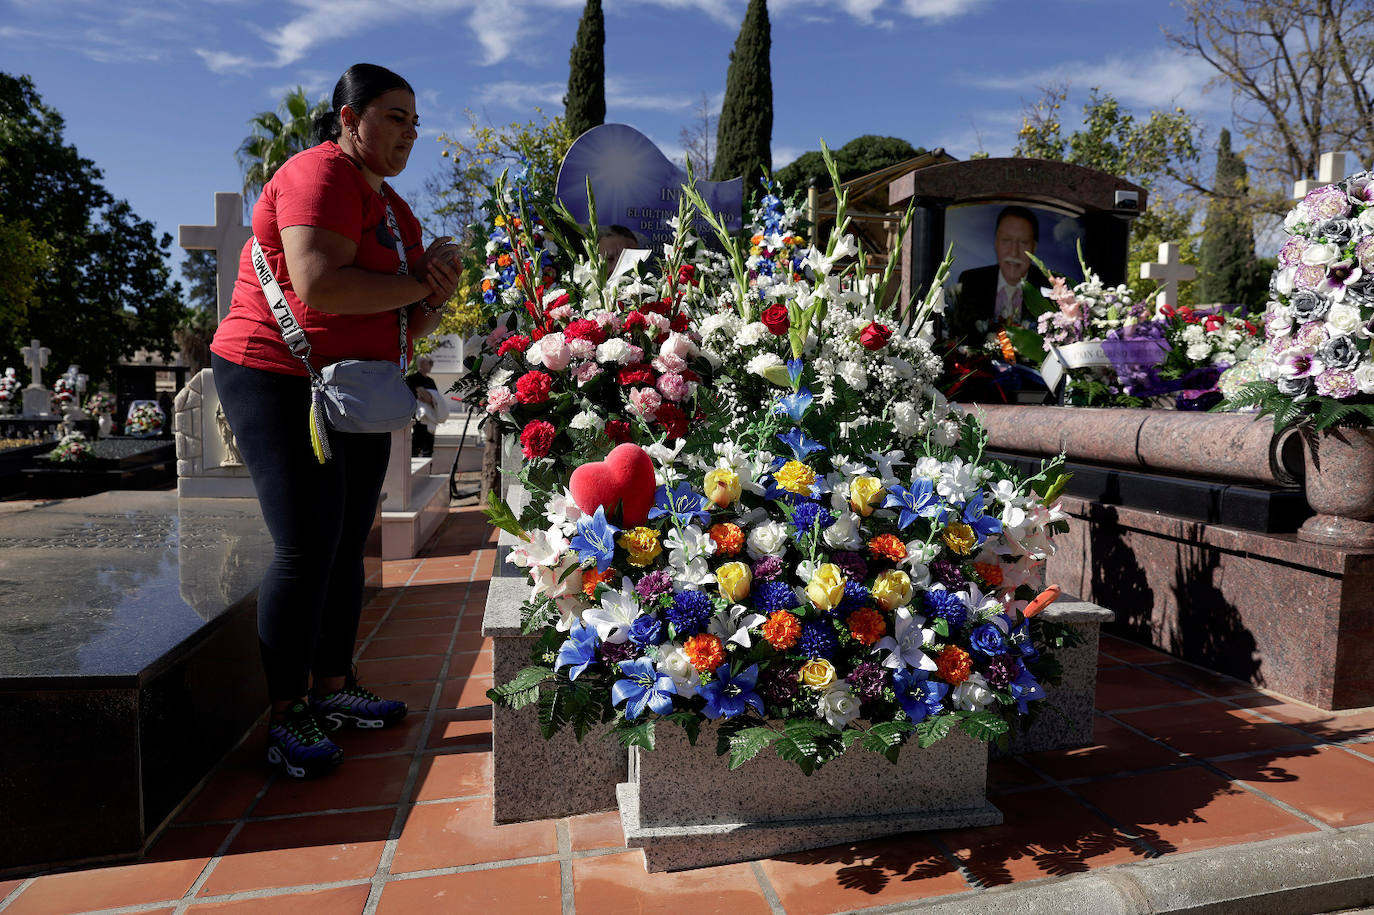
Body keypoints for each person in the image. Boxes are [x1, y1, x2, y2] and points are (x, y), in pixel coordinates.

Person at [209, 63, 461, 778]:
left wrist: (439, 287)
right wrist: (419, 281)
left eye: (414, 120)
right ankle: (286, 716)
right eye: (392, 116)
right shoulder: (320, 174)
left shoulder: (396, 209)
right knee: (306, 542)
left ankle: (334, 688)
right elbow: (319, 284)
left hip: (350, 386)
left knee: (349, 538)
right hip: (277, 373)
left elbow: (415, 315)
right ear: (348, 120)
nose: (408, 133)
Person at [947, 206, 1048, 344]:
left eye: (1023, 242)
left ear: (1034, 247)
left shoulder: (1050, 288)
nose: (1014, 252)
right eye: (1006, 240)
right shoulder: (972, 282)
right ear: (996, 243)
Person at [408, 353, 440, 457]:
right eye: (430, 363)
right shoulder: (412, 379)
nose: (432, 365)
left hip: (430, 420)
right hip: (416, 421)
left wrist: (425, 395)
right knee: (414, 449)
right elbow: (416, 397)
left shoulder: (430, 381)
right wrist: (427, 397)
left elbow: (435, 400)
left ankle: (428, 472)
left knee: (428, 450)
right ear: (422, 363)